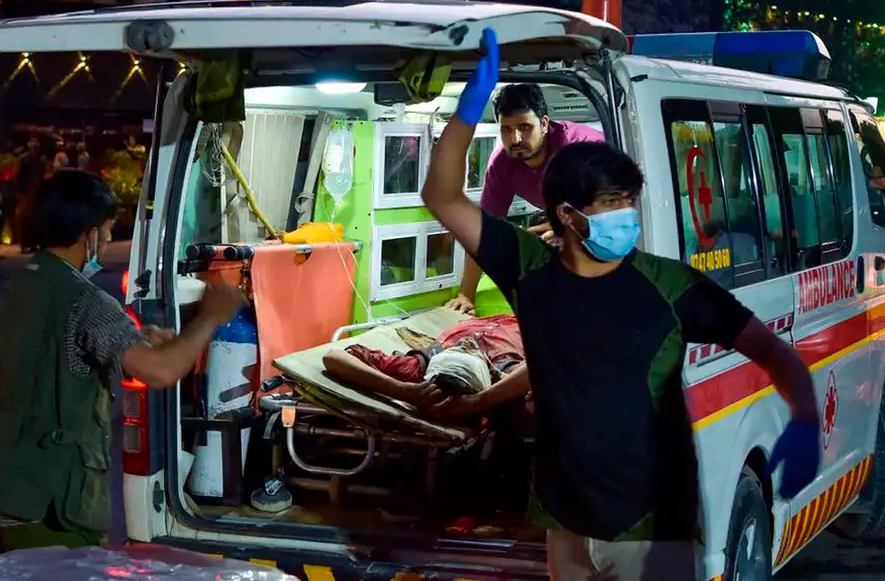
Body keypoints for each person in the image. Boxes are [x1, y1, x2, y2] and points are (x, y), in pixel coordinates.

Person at [422, 28, 821, 581]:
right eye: (609, 204)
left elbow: (773, 351)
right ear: (566, 215)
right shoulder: (530, 272)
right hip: (564, 519)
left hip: (649, 528)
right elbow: (441, 196)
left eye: (627, 203)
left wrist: (804, 417)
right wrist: (468, 108)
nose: (624, 216)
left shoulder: (670, 286)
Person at [0, 170, 247, 557]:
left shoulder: (20, 288)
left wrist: (138, 341)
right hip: (47, 512)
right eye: (104, 231)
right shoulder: (85, 301)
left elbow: (49, 360)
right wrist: (211, 316)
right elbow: (161, 371)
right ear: (89, 234)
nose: (103, 242)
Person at [444, 83, 603, 315]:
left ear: (545, 124)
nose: (515, 138)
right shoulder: (502, 165)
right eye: (506, 130)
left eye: (525, 127)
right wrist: (466, 294)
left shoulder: (577, 150)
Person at [321, 314, 528, 420]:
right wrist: (481, 401)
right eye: (466, 352)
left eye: (459, 350)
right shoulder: (504, 371)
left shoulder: (414, 369)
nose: (465, 343)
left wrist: (400, 390)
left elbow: (333, 358)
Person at [14, 136, 45, 253]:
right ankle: (24, 244)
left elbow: (41, 176)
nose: (35, 149)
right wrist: (20, 192)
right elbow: (17, 176)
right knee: (23, 219)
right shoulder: (23, 160)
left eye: (36, 147)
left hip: (35, 193)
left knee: (34, 219)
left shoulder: (39, 161)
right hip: (26, 193)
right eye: (34, 147)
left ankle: (33, 243)